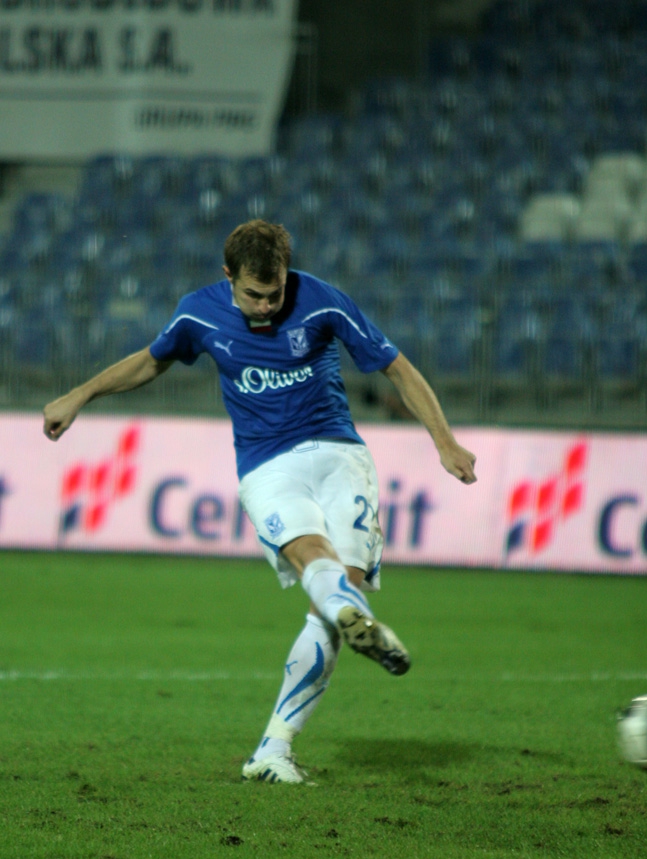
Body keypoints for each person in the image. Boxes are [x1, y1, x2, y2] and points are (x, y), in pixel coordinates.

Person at [43, 219, 477, 784]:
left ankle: (276, 746)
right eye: (253, 294)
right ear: (228, 276)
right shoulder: (198, 313)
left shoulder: (321, 299)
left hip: (341, 455)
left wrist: (444, 440)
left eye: (275, 293)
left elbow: (396, 365)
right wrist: (80, 395)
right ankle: (345, 631)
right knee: (314, 562)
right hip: (268, 466)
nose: (267, 305)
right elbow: (152, 359)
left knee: (331, 596)